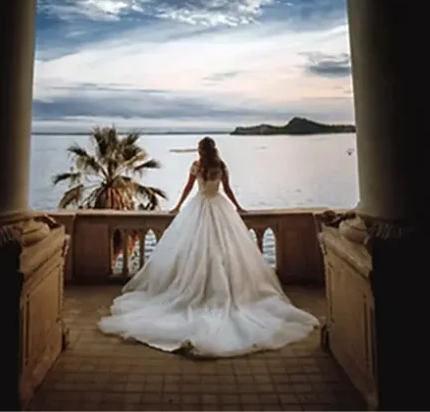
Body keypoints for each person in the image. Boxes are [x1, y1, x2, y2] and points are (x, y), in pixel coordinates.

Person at [97, 136, 320, 357]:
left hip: (201, 207)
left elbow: (190, 189)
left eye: (199, 148)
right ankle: (215, 291)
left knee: (204, 251)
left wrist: (179, 207)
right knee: (219, 253)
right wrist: (237, 207)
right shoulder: (220, 166)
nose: (198, 151)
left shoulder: (197, 166)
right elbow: (227, 190)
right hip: (216, 207)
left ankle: (204, 291)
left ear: (202, 150)